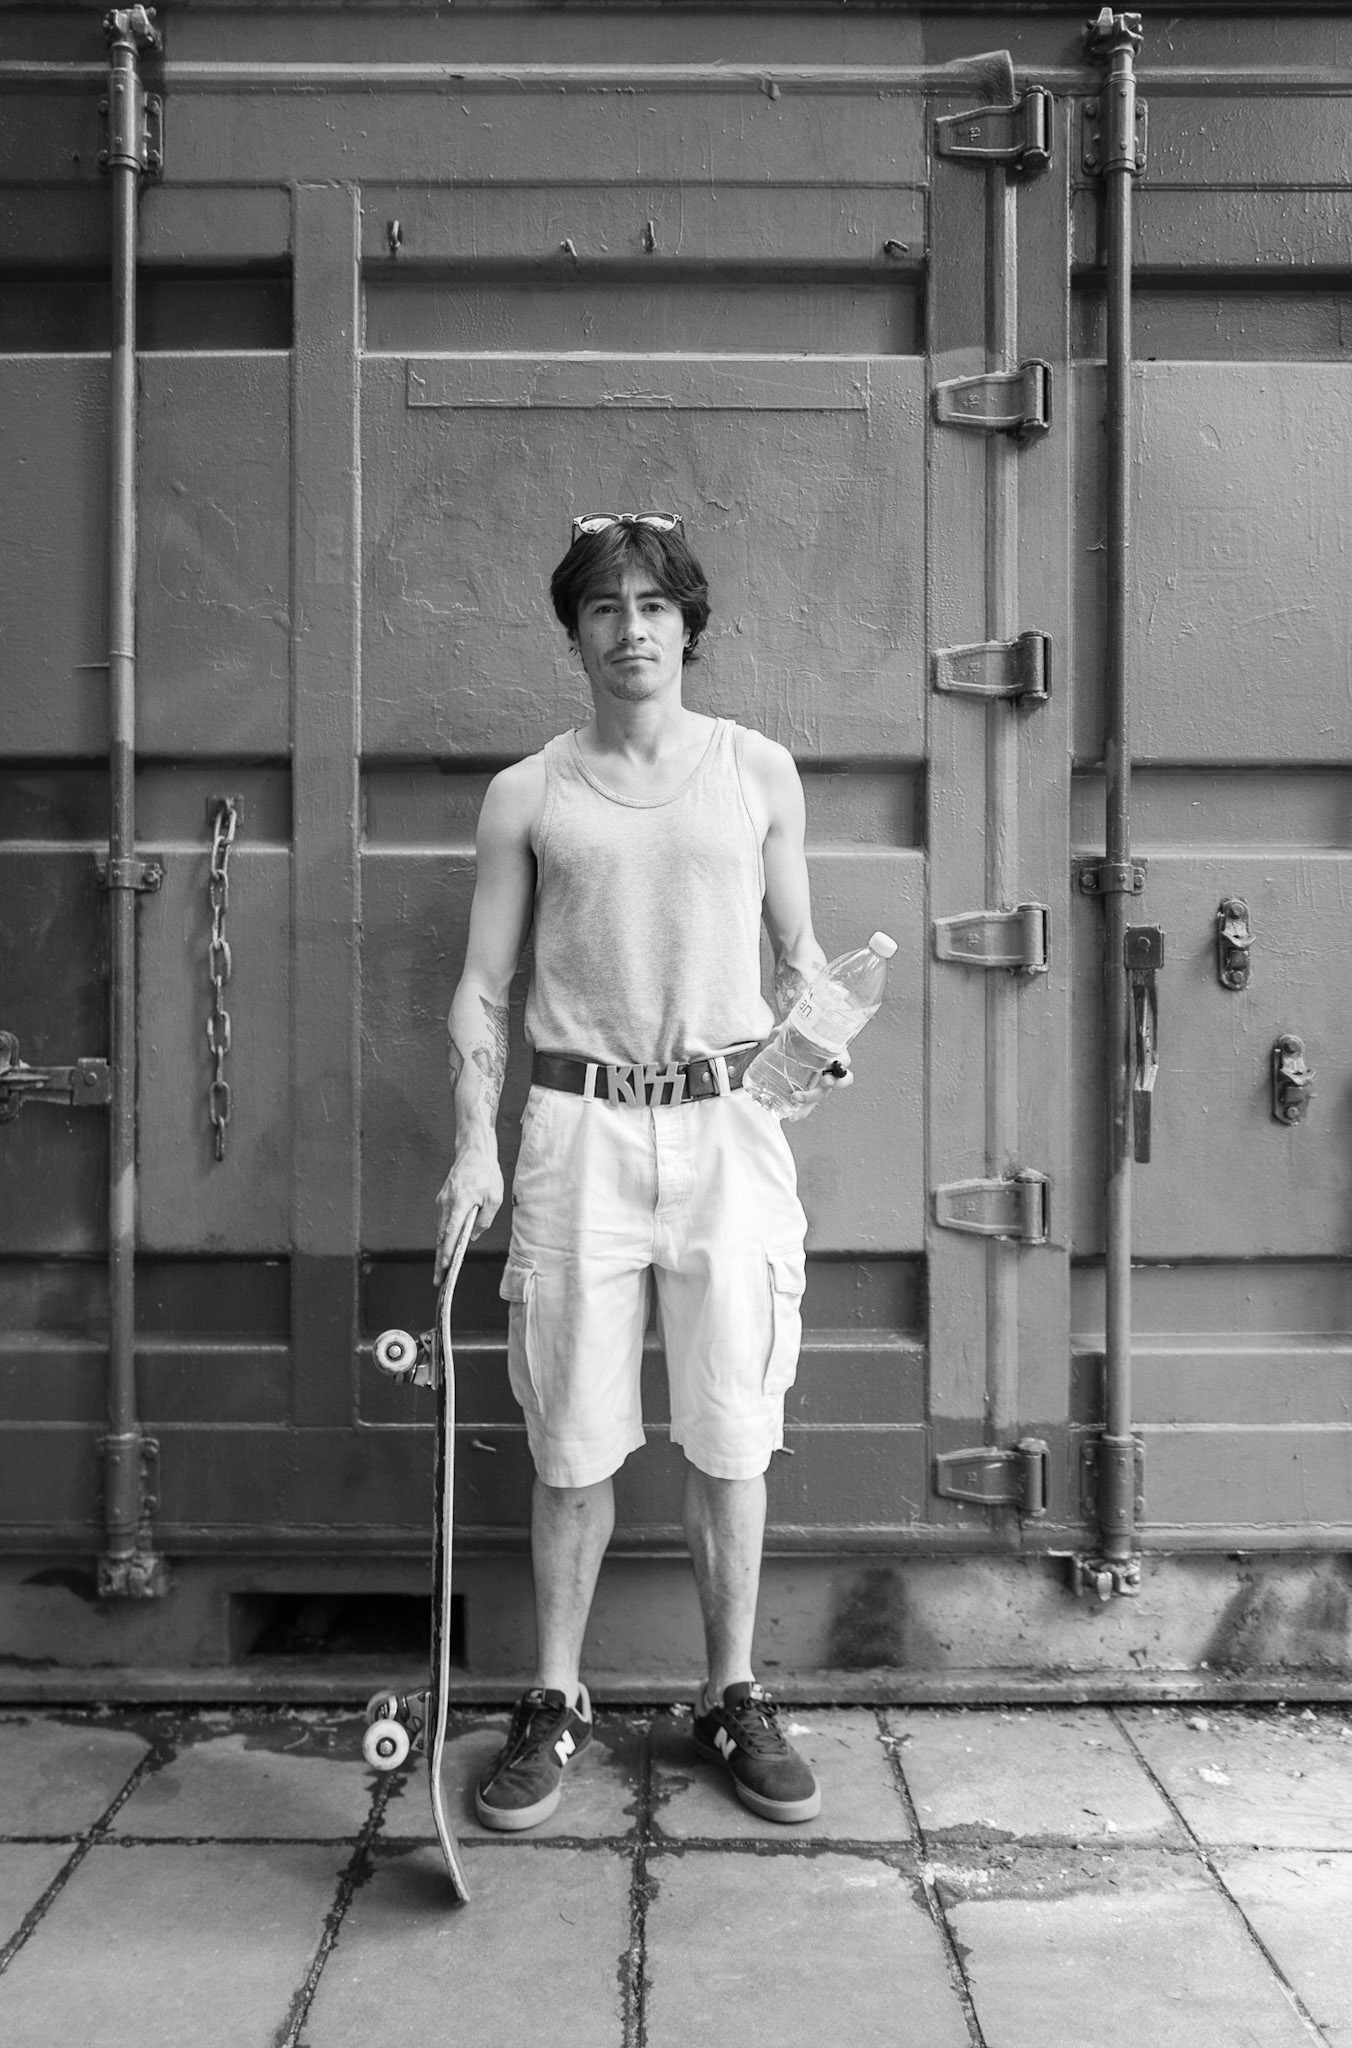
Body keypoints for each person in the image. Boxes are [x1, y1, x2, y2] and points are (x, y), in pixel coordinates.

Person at [434, 511, 849, 1833]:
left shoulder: (757, 772)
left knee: (732, 1436)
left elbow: (801, 957)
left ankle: (732, 1693)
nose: (631, 629)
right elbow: (480, 988)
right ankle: (555, 1698)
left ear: (688, 626)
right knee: (570, 1444)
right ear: (575, 633)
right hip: (577, 1133)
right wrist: (474, 1144)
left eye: (654, 606)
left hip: (729, 1126)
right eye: (604, 607)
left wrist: (822, 1025)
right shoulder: (528, 795)